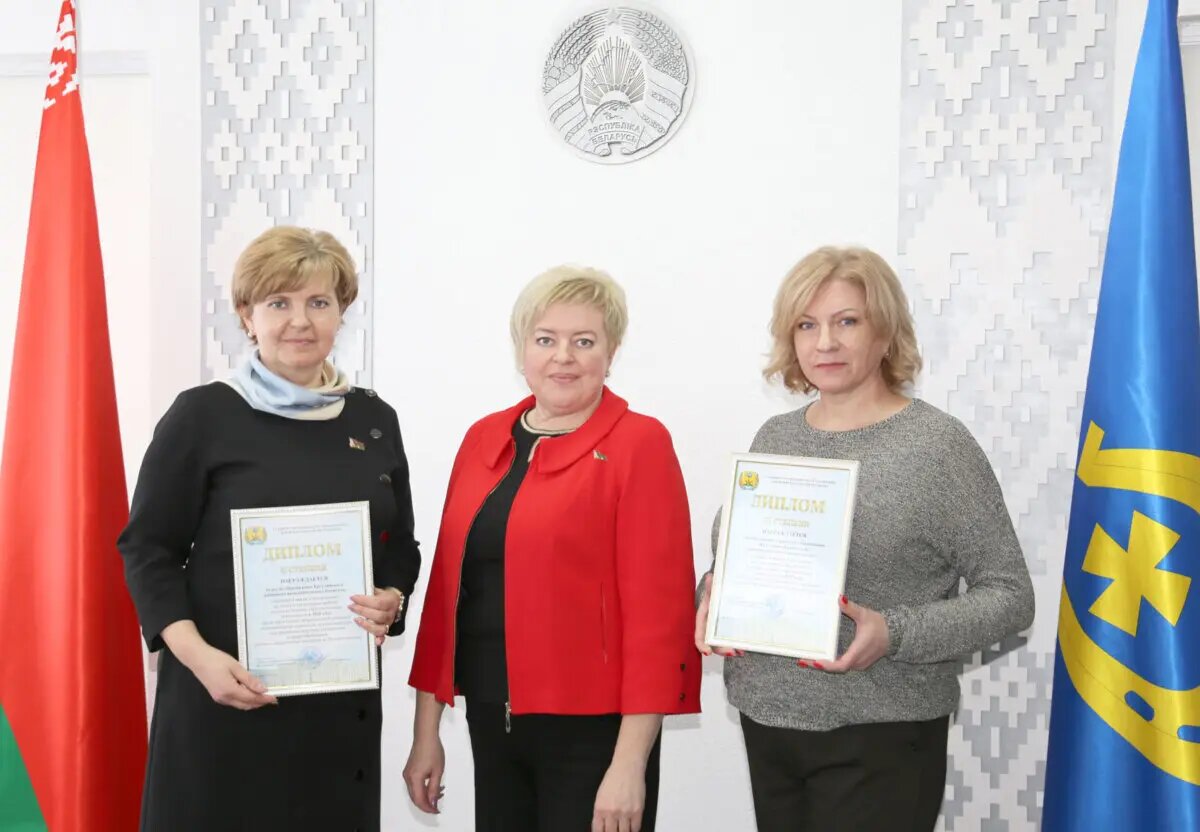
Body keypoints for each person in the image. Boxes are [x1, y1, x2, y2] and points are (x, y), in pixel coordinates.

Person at [695, 246, 1035, 832]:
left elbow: (1010, 597)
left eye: (846, 321)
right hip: (770, 723)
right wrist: (713, 596)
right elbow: (741, 558)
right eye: (807, 325)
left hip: (883, 737)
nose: (825, 342)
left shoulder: (936, 447)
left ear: (885, 333)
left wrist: (893, 632)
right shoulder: (776, 436)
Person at [117, 226, 421, 831]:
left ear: (341, 313)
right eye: (279, 302)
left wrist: (392, 598)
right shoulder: (203, 415)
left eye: (319, 302)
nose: (299, 321)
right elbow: (148, 549)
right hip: (222, 699)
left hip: (337, 713)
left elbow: (399, 547)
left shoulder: (373, 418)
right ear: (246, 316)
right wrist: (198, 658)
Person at [404, 265, 701, 832]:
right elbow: (447, 595)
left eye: (583, 341)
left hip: (595, 736)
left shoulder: (640, 443)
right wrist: (426, 734)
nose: (563, 356)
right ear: (522, 349)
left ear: (611, 352)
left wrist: (629, 765)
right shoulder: (483, 438)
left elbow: (660, 619)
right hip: (492, 722)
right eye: (546, 339)